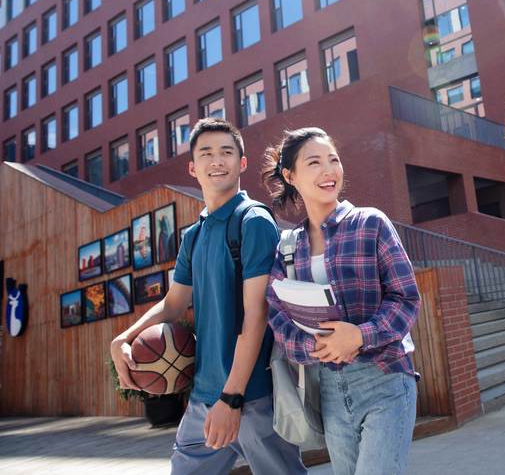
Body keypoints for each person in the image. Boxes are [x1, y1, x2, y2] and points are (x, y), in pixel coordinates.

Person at [110, 117, 308, 475]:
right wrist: (124, 338)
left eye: (226, 152)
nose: (217, 160)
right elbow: (173, 304)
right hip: (204, 395)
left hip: (252, 395)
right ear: (193, 167)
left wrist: (232, 398)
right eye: (206, 153)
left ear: (241, 163)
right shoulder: (193, 236)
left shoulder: (254, 221)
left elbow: (256, 314)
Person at [261, 127, 421, 475]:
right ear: (290, 176)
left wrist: (362, 335)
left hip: (386, 380)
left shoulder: (370, 223)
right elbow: (278, 320)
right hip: (330, 391)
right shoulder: (288, 247)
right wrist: (314, 348)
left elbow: (405, 298)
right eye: (314, 162)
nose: (328, 170)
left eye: (333, 160)